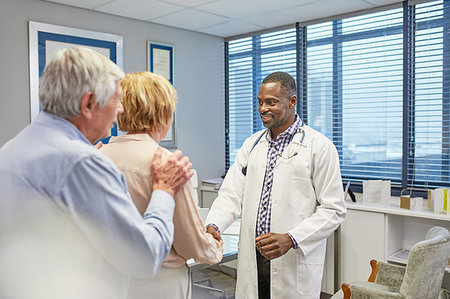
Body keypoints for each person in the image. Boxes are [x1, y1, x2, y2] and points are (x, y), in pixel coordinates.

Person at [0, 47, 193, 299]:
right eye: (116, 99)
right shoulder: (81, 162)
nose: (121, 110)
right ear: (88, 103)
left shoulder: (12, 149)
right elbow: (144, 258)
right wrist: (163, 191)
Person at [205, 72, 347, 299]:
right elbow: (231, 193)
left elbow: (334, 209)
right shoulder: (251, 145)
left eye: (271, 102)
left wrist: (291, 238)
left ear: (292, 101)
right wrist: (214, 225)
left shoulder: (319, 147)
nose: (263, 108)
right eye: (260, 102)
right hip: (254, 256)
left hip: (291, 255)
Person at [100, 71, 222, 299]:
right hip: (157, 282)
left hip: (109, 278)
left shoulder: (96, 156)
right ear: (164, 112)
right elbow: (190, 244)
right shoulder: (167, 164)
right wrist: (214, 247)